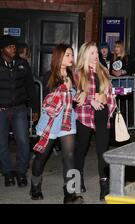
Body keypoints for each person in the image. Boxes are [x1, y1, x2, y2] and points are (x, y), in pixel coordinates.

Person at [30, 44, 83, 203]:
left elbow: (76, 95)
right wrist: (63, 89)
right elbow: (47, 101)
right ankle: (35, 185)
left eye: (72, 55)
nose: (71, 58)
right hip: (50, 122)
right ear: (59, 57)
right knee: (41, 157)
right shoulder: (49, 76)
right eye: (67, 55)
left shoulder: (73, 76)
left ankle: (70, 193)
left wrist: (80, 94)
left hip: (67, 121)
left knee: (69, 156)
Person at [74, 41, 117, 201]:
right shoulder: (78, 73)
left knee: (102, 150)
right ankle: (77, 179)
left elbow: (110, 93)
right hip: (84, 115)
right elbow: (76, 95)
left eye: (96, 53)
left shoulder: (104, 71)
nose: (95, 56)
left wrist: (105, 98)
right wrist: (91, 100)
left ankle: (104, 184)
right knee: (81, 149)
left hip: (102, 114)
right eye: (91, 53)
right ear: (85, 55)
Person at [0, 35, 39, 187]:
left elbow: (30, 87)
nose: (13, 49)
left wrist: (35, 108)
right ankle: (7, 172)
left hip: (19, 108)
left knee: (23, 141)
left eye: (14, 47)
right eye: (9, 47)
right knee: (2, 143)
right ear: (2, 49)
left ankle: (21, 172)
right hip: (1, 110)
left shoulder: (22, 65)